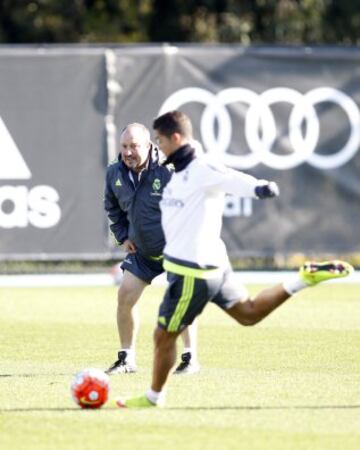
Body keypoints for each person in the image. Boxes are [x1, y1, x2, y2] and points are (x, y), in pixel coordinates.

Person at [115, 111, 354, 408]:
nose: (157, 146)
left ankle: (154, 397)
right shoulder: (179, 169)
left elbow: (232, 178)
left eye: (160, 140)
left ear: (175, 138)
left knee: (163, 335)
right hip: (214, 267)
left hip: (192, 272)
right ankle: (303, 278)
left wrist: (259, 188)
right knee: (249, 313)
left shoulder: (200, 167)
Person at [104, 122, 200, 375]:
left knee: (181, 297)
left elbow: (193, 202)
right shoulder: (114, 172)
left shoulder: (170, 169)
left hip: (175, 249)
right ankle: (127, 359)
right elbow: (112, 207)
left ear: (148, 146)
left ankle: (190, 358)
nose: (127, 152)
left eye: (134, 146)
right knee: (125, 296)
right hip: (142, 253)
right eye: (124, 146)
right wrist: (122, 237)